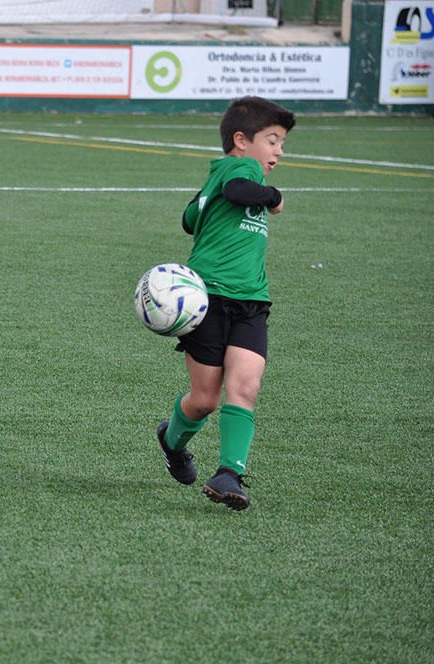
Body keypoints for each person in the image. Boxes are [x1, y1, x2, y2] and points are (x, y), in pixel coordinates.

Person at [155, 97, 295, 511]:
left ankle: (229, 473)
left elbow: (188, 218)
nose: (278, 152)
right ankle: (171, 439)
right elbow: (237, 191)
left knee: (245, 386)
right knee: (205, 399)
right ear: (240, 140)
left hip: (252, 299)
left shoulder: (221, 172)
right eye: (272, 140)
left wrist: (206, 201)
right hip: (209, 299)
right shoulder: (240, 169)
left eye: (282, 144)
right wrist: (271, 195)